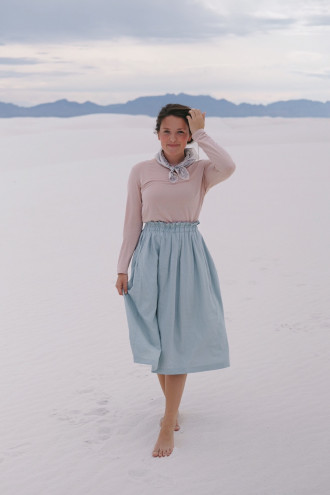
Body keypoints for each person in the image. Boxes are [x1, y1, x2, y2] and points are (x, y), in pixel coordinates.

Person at [115, 104, 236, 458]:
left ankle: (168, 422)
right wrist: (123, 267)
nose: (173, 139)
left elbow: (228, 166)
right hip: (149, 255)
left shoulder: (201, 170)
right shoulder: (141, 171)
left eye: (180, 132)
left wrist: (202, 133)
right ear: (157, 134)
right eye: (166, 132)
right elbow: (131, 222)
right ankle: (172, 406)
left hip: (187, 256)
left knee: (178, 337)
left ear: (189, 136)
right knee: (157, 336)